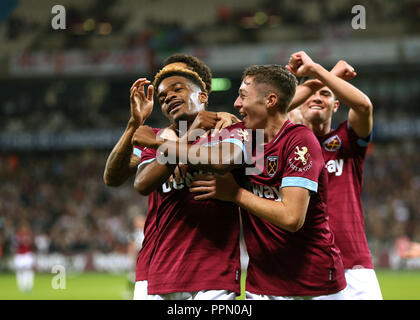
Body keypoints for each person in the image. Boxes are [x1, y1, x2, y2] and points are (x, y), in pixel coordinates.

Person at [135, 64, 347, 299]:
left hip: (313, 282)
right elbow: (211, 148)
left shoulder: (300, 140)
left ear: (269, 100)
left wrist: (235, 194)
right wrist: (172, 140)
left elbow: (291, 218)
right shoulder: (246, 136)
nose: (236, 104)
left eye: (243, 96)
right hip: (262, 284)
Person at [103, 54, 239, 299]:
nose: (169, 94)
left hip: (214, 270)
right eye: (163, 94)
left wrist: (167, 146)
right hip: (157, 271)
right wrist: (135, 123)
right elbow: (119, 179)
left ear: (202, 91)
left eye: (178, 85)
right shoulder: (153, 135)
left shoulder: (230, 131)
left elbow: (228, 162)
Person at [285, 51, 383, 300]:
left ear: (336, 104)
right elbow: (274, 111)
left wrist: (317, 70)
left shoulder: (346, 140)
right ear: (300, 105)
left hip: (356, 265)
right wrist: (330, 75)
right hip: (310, 266)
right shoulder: (290, 146)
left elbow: (364, 106)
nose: (317, 98)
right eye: (311, 94)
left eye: (326, 94)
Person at [13, 222, 35, 293]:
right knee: (20, 271)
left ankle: (29, 286)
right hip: (20, 255)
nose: (24, 228)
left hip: (27, 254)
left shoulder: (29, 234)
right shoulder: (18, 235)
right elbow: (16, 244)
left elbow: (31, 244)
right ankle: (21, 286)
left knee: (29, 270)